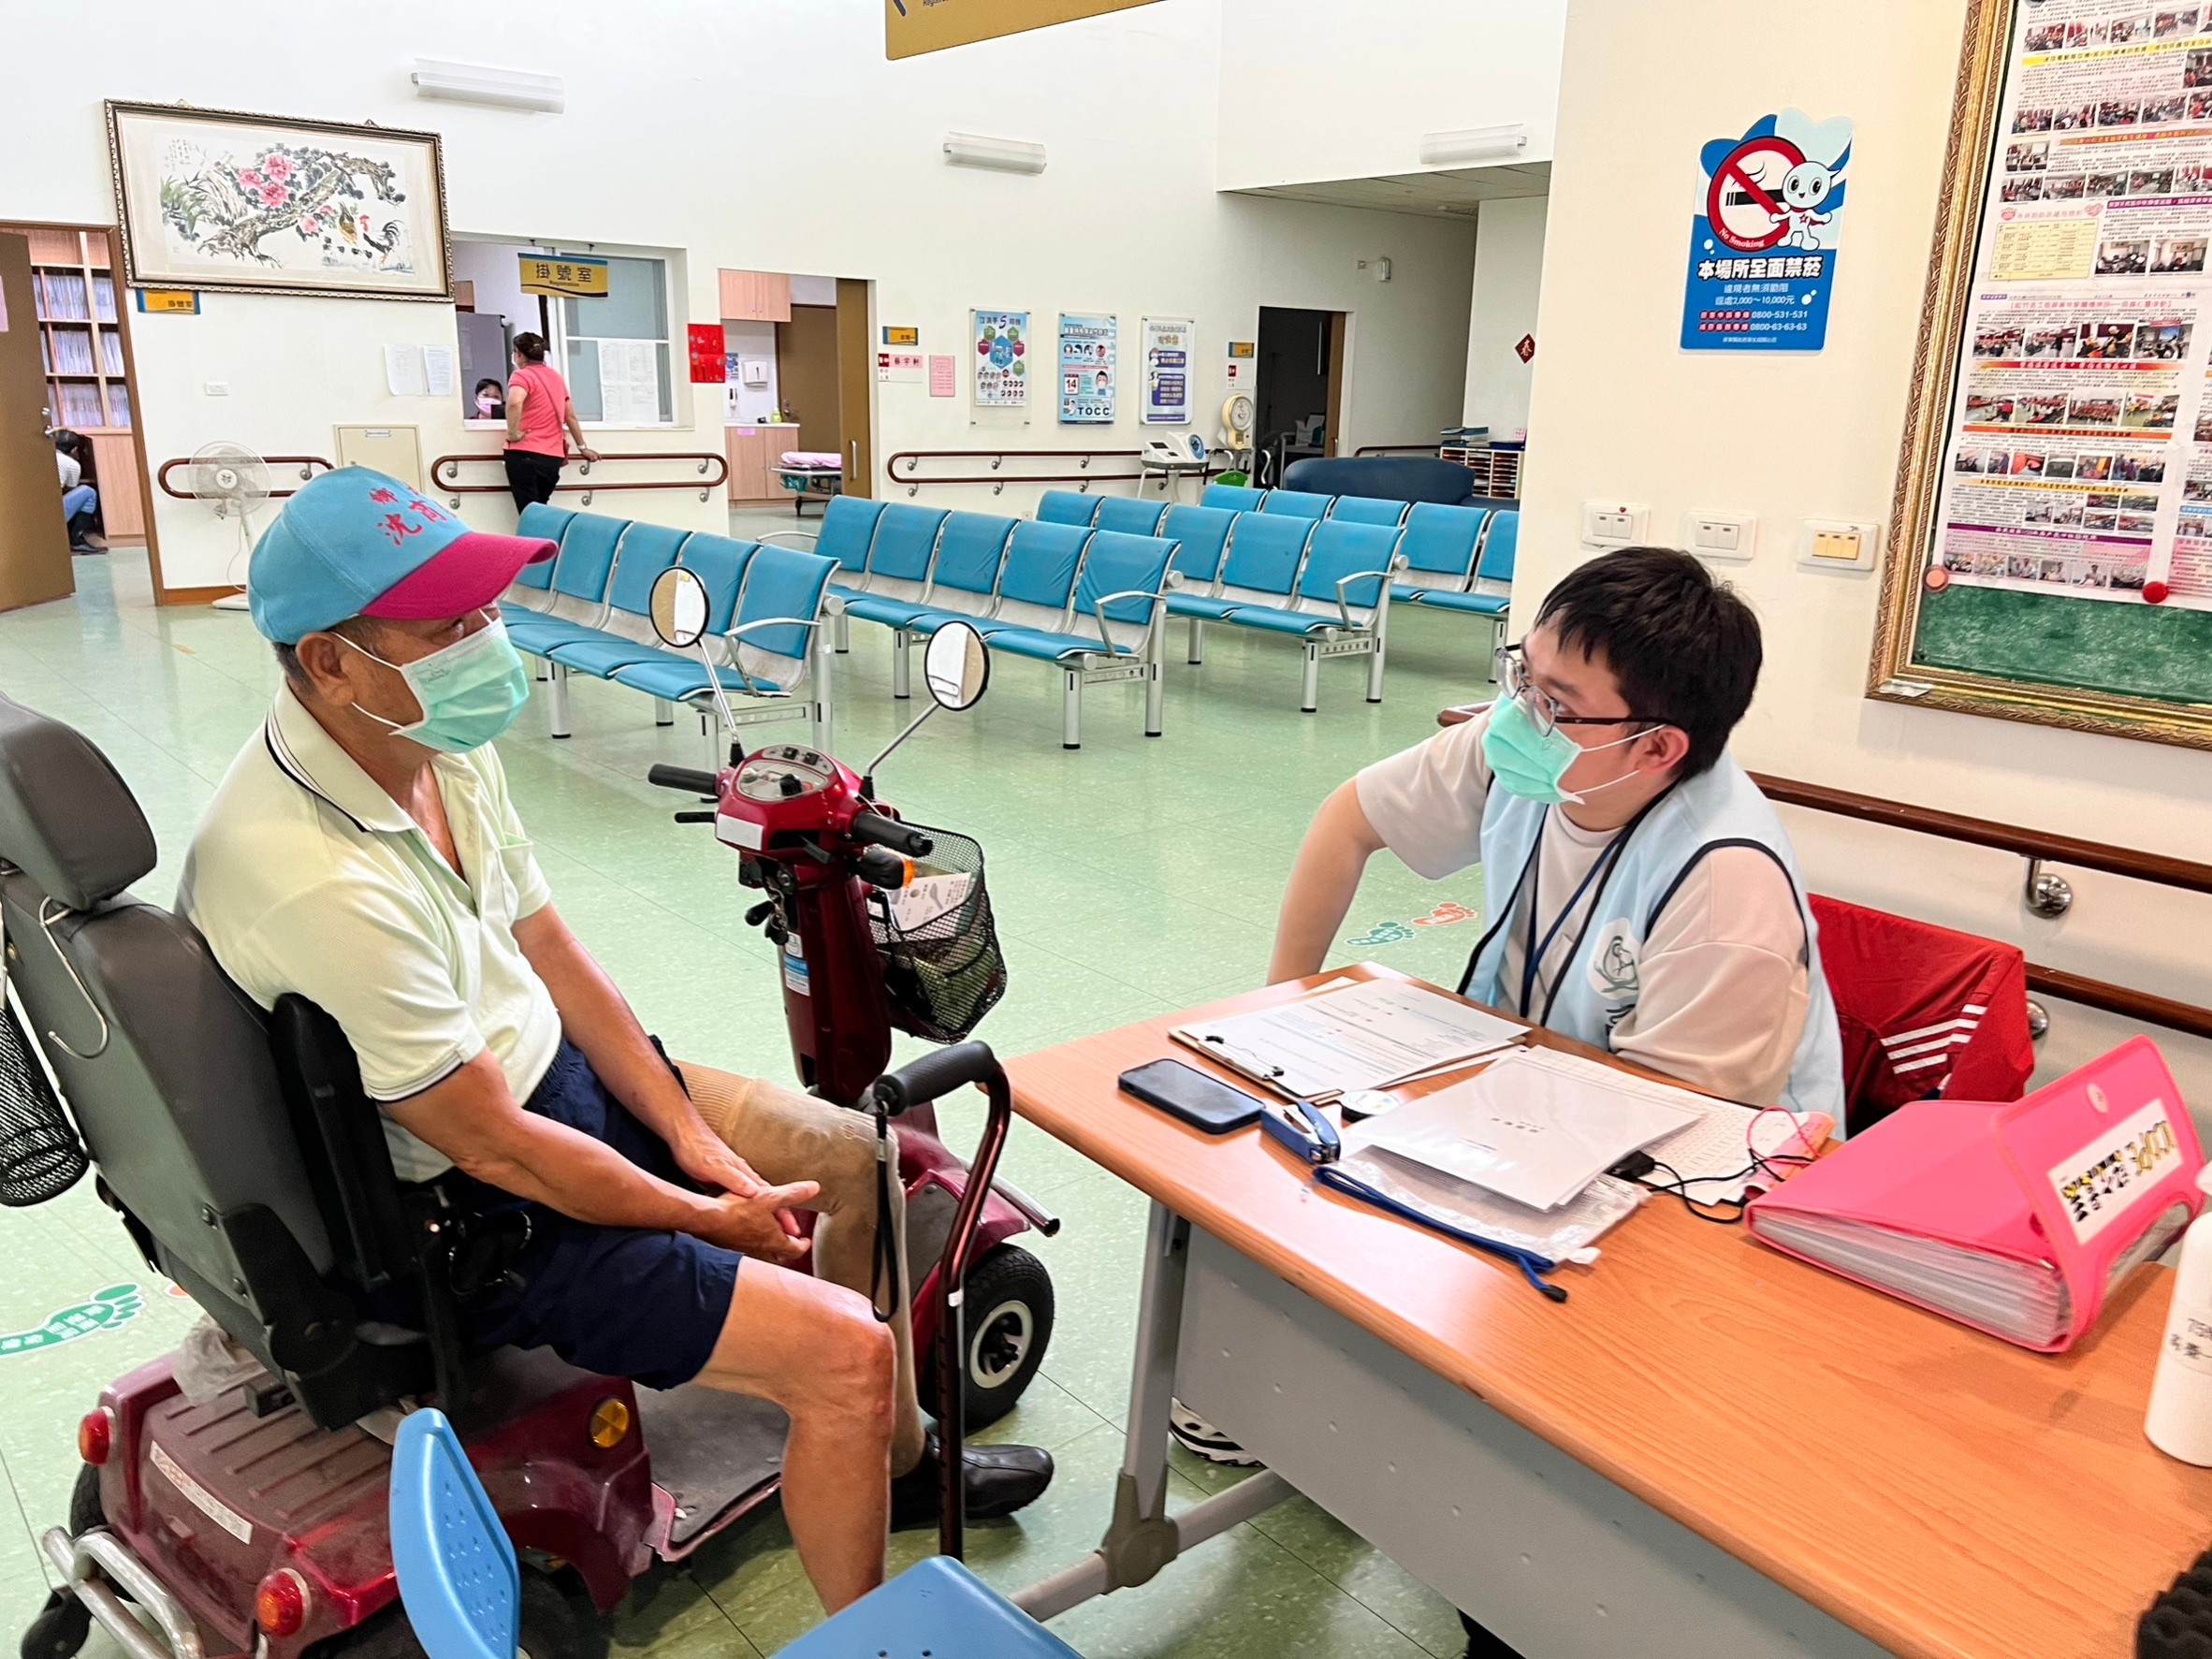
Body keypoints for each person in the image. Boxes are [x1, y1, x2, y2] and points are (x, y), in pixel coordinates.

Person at [176, 468, 1052, 1616]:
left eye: (483, 610)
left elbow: (555, 951)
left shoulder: (429, 747)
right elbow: (499, 1148)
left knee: (854, 1156)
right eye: (447, 626)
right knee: (851, 1349)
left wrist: (689, 1132)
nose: (486, 640)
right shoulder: (311, 876)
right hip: (491, 1221)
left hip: (563, 1090)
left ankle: (879, 1462)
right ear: (331, 662)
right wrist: (710, 1216)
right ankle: (867, 1619)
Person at [1270, 546, 1845, 1659]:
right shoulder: (1533, 754)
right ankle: (1344, 1439)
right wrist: (1283, 1014)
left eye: (1556, 700)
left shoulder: (1724, 886)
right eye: (1521, 675)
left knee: (1542, 1515)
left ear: (1657, 745)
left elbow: (1672, 1157)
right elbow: (1350, 821)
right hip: (1527, 1115)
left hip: (1695, 1192)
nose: (1517, 712)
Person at [502, 332, 596, 512]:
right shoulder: (556, 378)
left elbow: (515, 402)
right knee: (541, 512)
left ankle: (539, 541)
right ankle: (545, 540)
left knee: (529, 514)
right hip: (552, 458)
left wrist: (513, 433)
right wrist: (583, 447)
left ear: (519, 354)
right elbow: (570, 417)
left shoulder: (521, 376)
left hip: (525, 454)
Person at [53, 431, 103, 553]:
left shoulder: (38, 457)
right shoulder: (71, 464)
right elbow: (70, 490)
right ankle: (77, 541)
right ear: (75, 450)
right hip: (51, 515)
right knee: (88, 492)